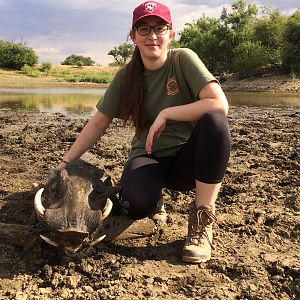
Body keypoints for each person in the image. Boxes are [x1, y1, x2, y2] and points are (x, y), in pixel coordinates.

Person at [56, 1, 231, 264]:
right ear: (133, 36)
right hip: (149, 157)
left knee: (216, 123)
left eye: (160, 28)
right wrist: (65, 163)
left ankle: (201, 218)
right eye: (144, 29)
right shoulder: (127, 76)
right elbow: (97, 123)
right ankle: (155, 201)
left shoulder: (183, 59)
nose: (153, 36)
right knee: (136, 204)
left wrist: (167, 113)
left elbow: (220, 104)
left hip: (188, 162)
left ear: (170, 34)